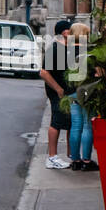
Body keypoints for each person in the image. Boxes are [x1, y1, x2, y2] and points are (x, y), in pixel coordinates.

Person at [62, 21, 98, 172]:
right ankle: (87, 160)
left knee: (75, 126)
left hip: (71, 92)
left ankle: (75, 160)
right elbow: (96, 73)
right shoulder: (89, 51)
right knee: (87, 126)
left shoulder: (65, 51)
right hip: (87, 92)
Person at [41, 18, 73, 169]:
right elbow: (44, 72)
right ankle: (52, 157)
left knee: (69, 123)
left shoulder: (66, 48)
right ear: (64, 32)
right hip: (58, 94)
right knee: (56, 122)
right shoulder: (56, 49)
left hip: (66, 93)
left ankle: (71, 156)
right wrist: (58, 89)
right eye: (69, 29)